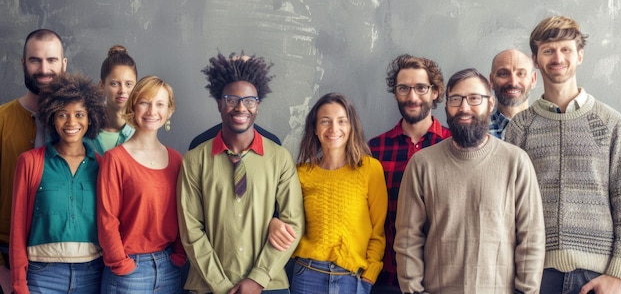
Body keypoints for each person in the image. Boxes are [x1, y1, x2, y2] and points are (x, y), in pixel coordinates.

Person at [395, 68, 545, 293]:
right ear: (447, 106)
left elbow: (531, 240)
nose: (464, 108)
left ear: (490, 104)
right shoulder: (422, 164)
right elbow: (408, 241)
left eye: (475, 98)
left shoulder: (516, 162)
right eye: (456, 99)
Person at [505, 16, 621, 294]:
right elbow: (507, 205)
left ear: (580, 55)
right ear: (535, 59)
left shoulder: (610, 122)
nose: (557, 57)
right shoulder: (521, 126)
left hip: (597, 275)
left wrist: (618, 274)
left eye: (566, 49)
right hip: (534, 274)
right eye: (548, 50)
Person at [177, 52, 304, 294]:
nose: (240, 107)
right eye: (231, 99)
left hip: (269, 286)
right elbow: (191, 229)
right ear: (219, 104)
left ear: (258, 106)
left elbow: (293, 223)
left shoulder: (280, 157)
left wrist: (258, 278)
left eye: (249, 100)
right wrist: (221, 286)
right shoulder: (194, 160)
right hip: (208, 286)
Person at [10, 73, 106, 293]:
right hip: (41, 276)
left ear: (90, 118)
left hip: (92, 274)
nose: (71, 122)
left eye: (79, 114)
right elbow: (17, 228)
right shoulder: (30, 163)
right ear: (52, 117)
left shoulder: (102, 166)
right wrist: (18, 283)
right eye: (63, 114)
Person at [367, 54, 451, 293]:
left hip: (442, 278)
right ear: (395, 93)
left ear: (435, 92)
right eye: (403, 88)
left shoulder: (453, 145)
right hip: (386, 279)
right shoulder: (374, 149)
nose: (412, 97)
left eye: (421, 88)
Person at [290, 93, 387, 294]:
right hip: (307, 275)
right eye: (325, 121)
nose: (334, 129)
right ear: (315, 129)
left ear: (351, 127)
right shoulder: (301, 174)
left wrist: (370, 273)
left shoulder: (369, 168)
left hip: (351, 279)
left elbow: (378, 229)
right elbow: (290, 222)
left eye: (342, 121)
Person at [97, 76, 186, 293]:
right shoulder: (115, 159)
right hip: (129, 270)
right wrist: (121, 262)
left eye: (160, 104)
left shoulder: (177, 160)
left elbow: (185, 213)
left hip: (169, 268)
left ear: (169, 111)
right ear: (134, 106)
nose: (151, 111)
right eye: (145, 102)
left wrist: (179, 254)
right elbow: (107, 219)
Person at [0, 29, 67, 293]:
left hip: (63, 258)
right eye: (35, 60)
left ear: (64, 64)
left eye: (51, 60)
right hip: (7, 255)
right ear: (23, 64)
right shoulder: (3, 120)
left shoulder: (80, 124)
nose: (44, 69)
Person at [85, 45, 138, 154]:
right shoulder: (84, 129)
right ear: (102, 85)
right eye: (114, 84)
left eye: (128, 84)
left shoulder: (140, 132)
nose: (122, 90)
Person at [488, 49, 537, 139]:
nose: (513, 83)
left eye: (521, 74)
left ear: (533, 80)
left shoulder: (551, 128)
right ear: (491, 81)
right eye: (503, 74)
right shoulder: (476, 131)